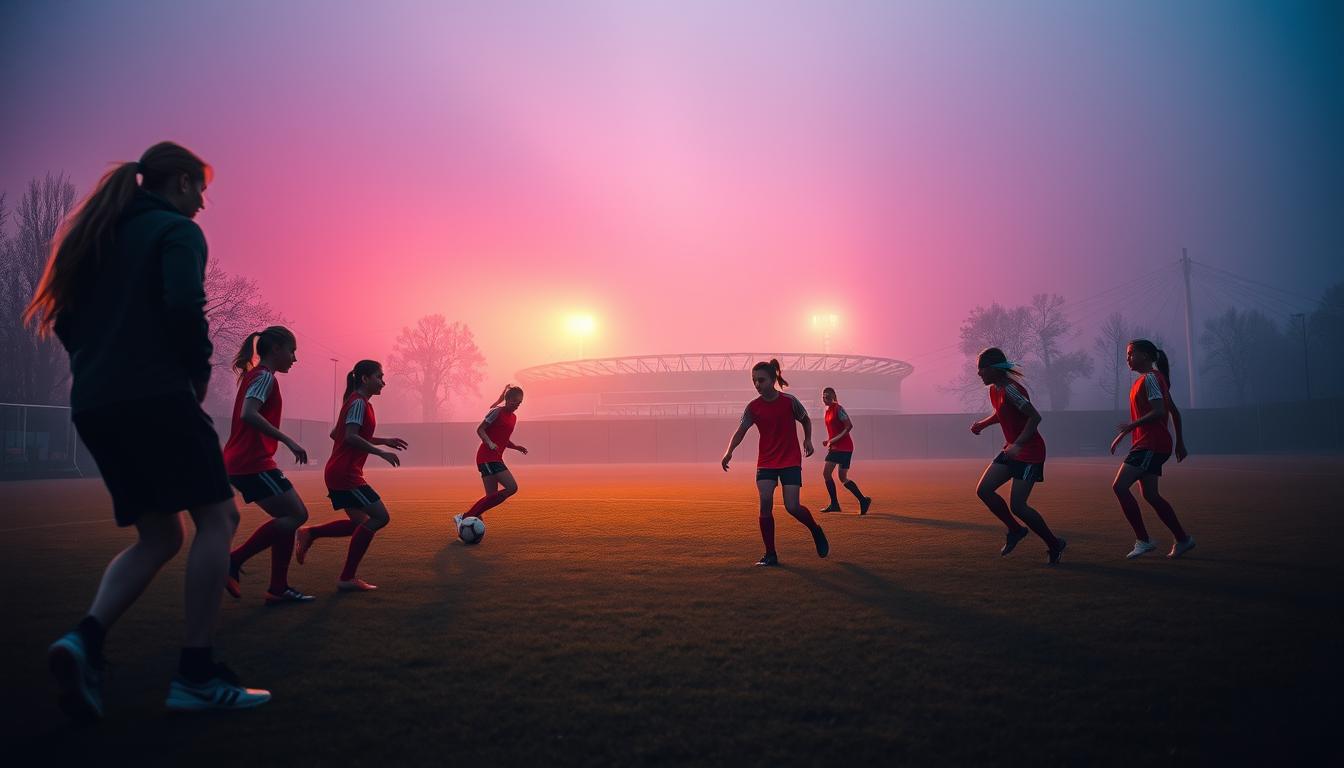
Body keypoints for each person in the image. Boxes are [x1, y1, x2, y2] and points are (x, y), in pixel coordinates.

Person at [27, 142, 270, 719]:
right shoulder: (175, 230)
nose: (204, 204)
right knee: (220, 517)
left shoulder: (100, 236)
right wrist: (195, 373)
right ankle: (196, 673)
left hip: (94, 403)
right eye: (201, 189)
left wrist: (99, 362)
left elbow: (64, 321)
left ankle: (83, 640)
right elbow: (184, 305)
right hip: (154, 394)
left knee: (160, 535)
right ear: (181, 183)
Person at [221, 325, 315, 604]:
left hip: (245, 462)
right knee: (297, 515)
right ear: (276, 349)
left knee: (287, 518)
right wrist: (288, 440)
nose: (294, 359)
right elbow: (249, 414)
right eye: (292, 351)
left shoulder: (257, 376)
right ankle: (232, 561)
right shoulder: (264, 377)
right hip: (252, 462)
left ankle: (278, 588)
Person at [295, 360, 407, 591]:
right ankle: (346, 578)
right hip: (345, 473)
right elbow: (348, 437)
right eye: (379, 376)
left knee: (361, 523)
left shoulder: (357, 402)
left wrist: (383, 440)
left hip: (340, 471)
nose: (383, 382)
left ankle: (310, 533)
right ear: (365, 378)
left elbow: (336, 433)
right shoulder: (358, 403)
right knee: (380, 517)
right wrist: (380, 452)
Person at [722, 359, 829, 566]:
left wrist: (807, 439)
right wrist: (729, 452)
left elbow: (805, 419)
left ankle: (815, 529)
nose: (757, 384)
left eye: (761, 380)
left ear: (772, 380)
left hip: (790, 460)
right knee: (765, 505)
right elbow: (741, 431)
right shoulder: (753, 407)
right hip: (766, 463)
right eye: (754, 381)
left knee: (792, 506)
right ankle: (770, 554)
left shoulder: (789, 401)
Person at [969, 348, 1067, 565]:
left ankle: (1054, 544)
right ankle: (1015, 530)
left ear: (994, 369)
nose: (979, 374)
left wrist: (1018, 444)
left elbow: (1035, 417)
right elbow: (1001, 413)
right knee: (984, 490)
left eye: (982, 369)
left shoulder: (1013, 390)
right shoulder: (995, 389)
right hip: (1012, 449)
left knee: (1018, 506)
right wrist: (982, 424)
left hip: (1030, 453)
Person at [1109, 339, 1195, 559]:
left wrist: (1130, 428)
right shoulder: (1151, 380)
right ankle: (1183, 539)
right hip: (1151, 443)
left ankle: (1143, 540)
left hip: (1151, 444)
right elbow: (1173, 412)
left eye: (1131, 353)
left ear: (1145, 356)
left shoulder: (1151, 379)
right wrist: (1180, 443)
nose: (1127, 358)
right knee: (1150, 494)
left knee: (1119, 487)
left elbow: (1159, 412)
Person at [454, 385, 528, 532]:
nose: (517, 405)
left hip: (495, 457)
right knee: (512, 487)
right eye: (514, 401)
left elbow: (503, 438)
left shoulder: (513, 418)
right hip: (487, 457)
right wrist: (489, 443)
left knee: (491, 497)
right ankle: (465, 516)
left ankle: (470, 516)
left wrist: (515, 447)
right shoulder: (496, 412)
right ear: (507, 400)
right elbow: (480, 429)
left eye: (519, 403)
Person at [817, 387, 872, 515]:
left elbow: (849, 426)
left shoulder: (838, 409)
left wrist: (833, 440)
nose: (825, 398)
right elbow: (834, 429)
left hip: (843, 447)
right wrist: (830, 440)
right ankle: (863, 500)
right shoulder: (827, 411)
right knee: (843, 478)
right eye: (824, 396)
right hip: (839, 447)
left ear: (834, 396)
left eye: (828, 396)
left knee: (826, 474)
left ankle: (835, 504)